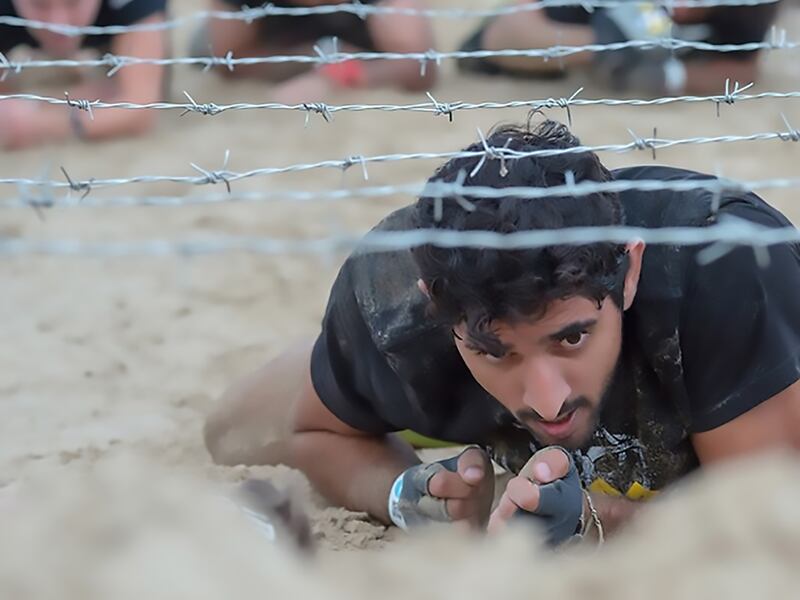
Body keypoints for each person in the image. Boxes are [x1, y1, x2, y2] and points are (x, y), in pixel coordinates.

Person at [204, 118, 800, 545]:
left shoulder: (722, 268)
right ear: (435, 306)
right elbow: (314, 433)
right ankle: (354, 375)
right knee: (228, 432)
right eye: (495, 350)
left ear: (631, 268)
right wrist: (412, 495)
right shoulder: (394, 303)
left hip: (729, 398)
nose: (545, 399)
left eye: (571, 337)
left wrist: (595, 523)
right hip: (429, 368)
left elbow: (761, 526)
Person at [456, 2, 782, 96]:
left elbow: (744, 66)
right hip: (538, 65)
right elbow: (499, 38)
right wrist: (610, 48)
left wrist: (670, 78)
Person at [192, 0, 436, 104]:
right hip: (274, 41)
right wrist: (312, 58)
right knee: (200, 49)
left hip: (362, 45)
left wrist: (337, 73)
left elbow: (420, 66)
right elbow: (229, 62)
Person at [0, 0, 168, 150]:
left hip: (113, 28)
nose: (60, 24)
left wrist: (40, 122)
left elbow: (139, 110)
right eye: (40, 5)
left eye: (73, 3)